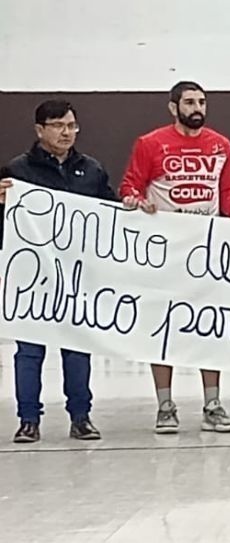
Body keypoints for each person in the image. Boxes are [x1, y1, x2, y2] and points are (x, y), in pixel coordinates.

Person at [119, 81, 230, 434]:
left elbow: (228, 194)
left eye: (202, 102)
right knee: (163, 329)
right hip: (163, 254)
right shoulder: (150, 143)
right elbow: (130, 186)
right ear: (173, 107)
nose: (197, 108)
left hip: (206, 253)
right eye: (190, 102)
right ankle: (165, 405)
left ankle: (212, 404)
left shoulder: (221, 144)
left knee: (210, 327)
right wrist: (135, 200)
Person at [0, 100, 113, 444]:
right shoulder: (17, 171)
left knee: (77, 348)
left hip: (77, 277)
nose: (67, 133)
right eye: (58, 126)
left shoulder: (92, 170)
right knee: (30, 351)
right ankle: (28, 419)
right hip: (32, 280)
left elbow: (111, 216)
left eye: (72, 126)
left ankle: (81, 416)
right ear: (40, 130)